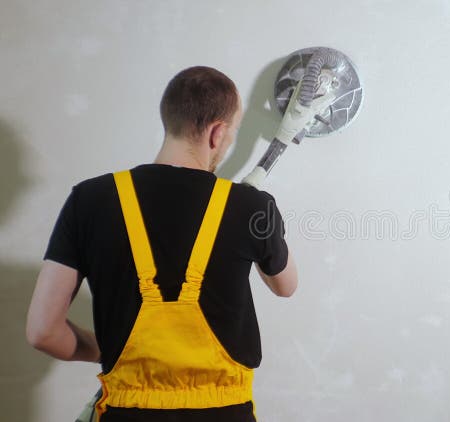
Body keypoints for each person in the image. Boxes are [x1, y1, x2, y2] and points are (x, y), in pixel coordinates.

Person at [26, 66, 298, 422]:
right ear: (217, 133)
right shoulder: (251, 207)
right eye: (232, 133)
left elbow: (43, 331)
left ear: (169, 119)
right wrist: (260, 217)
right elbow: (286, 285)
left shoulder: (89, 200)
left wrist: (108, 350)